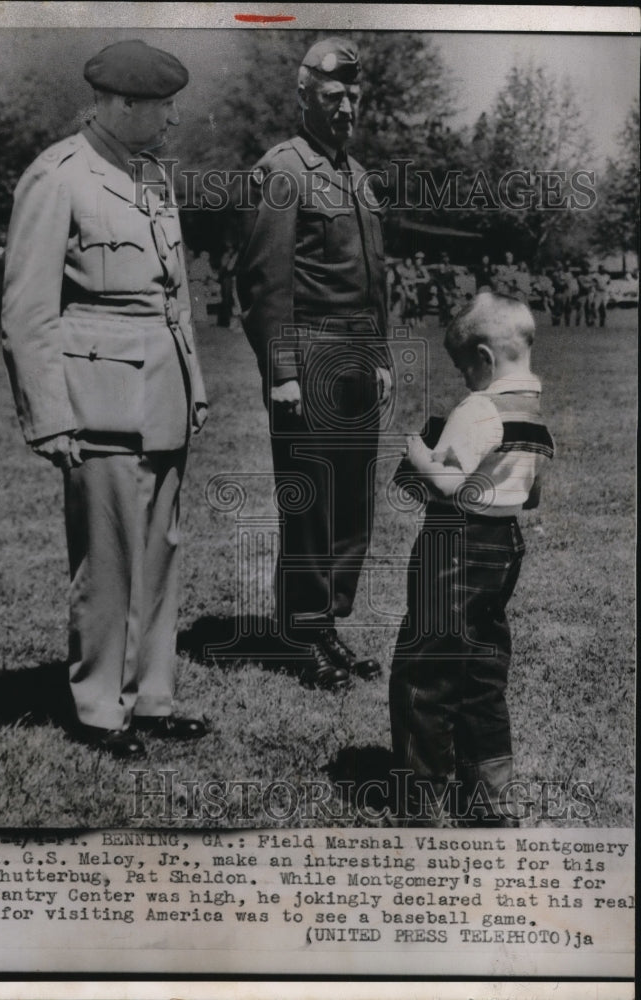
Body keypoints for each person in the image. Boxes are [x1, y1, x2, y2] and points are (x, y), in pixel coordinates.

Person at [2, 40, 208, 758]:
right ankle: (99, 709)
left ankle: (151, 696)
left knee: (159, 553)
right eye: (163, 106)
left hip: (162, 393)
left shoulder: (149, 175)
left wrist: (195, 385)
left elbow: (174, 297)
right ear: (122, 104)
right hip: (99, 398)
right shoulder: (57, 176)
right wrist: (48, 415)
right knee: (109, 560)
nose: (173, 119)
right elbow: (27, 310)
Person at [237, 37, 388, 689]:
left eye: (353, 95)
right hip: (310, 353)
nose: (346, 107)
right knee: (310, 503)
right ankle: (301, 634)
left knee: (352, 500)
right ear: (305, 98)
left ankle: (327, 625)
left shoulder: (356, 176)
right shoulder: (283, 170)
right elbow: (263, 281)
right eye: (333, 95)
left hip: (356, 358)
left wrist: (379, 356)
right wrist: (283, 372)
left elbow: (376, 280)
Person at [389, 291, 554, 825]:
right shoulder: (533, 416)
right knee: (483, 672)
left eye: (463, 366)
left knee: (425, 670)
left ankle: (418, 800)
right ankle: (491, 799)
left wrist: (417, 455)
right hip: (503, 545)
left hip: (455, 545)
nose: (463, 377)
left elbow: (446, 483)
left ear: (483, 357)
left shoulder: (480, 409)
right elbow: (531, 495)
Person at [434, 251, 458, 325]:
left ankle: (449, 318)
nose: (446, 259)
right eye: (444, 257)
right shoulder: (439, 268)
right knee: (445, 302)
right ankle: (443, 320)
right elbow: (438, 280)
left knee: (453, 300)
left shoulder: (450, 268)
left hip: (450, 288)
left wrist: (454, 288)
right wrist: (443, 289)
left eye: (447, 257)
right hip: (441, 289)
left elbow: (452, 280)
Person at [593, 264, 611, 328]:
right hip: (598, 292)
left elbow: (608, 283)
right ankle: (592, 321)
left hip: (604, 293)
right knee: (595, 307)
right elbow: (594, 284)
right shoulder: (595, 275)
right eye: (601, 269)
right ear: (599, 269)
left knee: (603, 307)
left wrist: (608, 291)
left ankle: (602, 322)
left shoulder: (607, 276)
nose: (603, 270)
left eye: (603, 269)